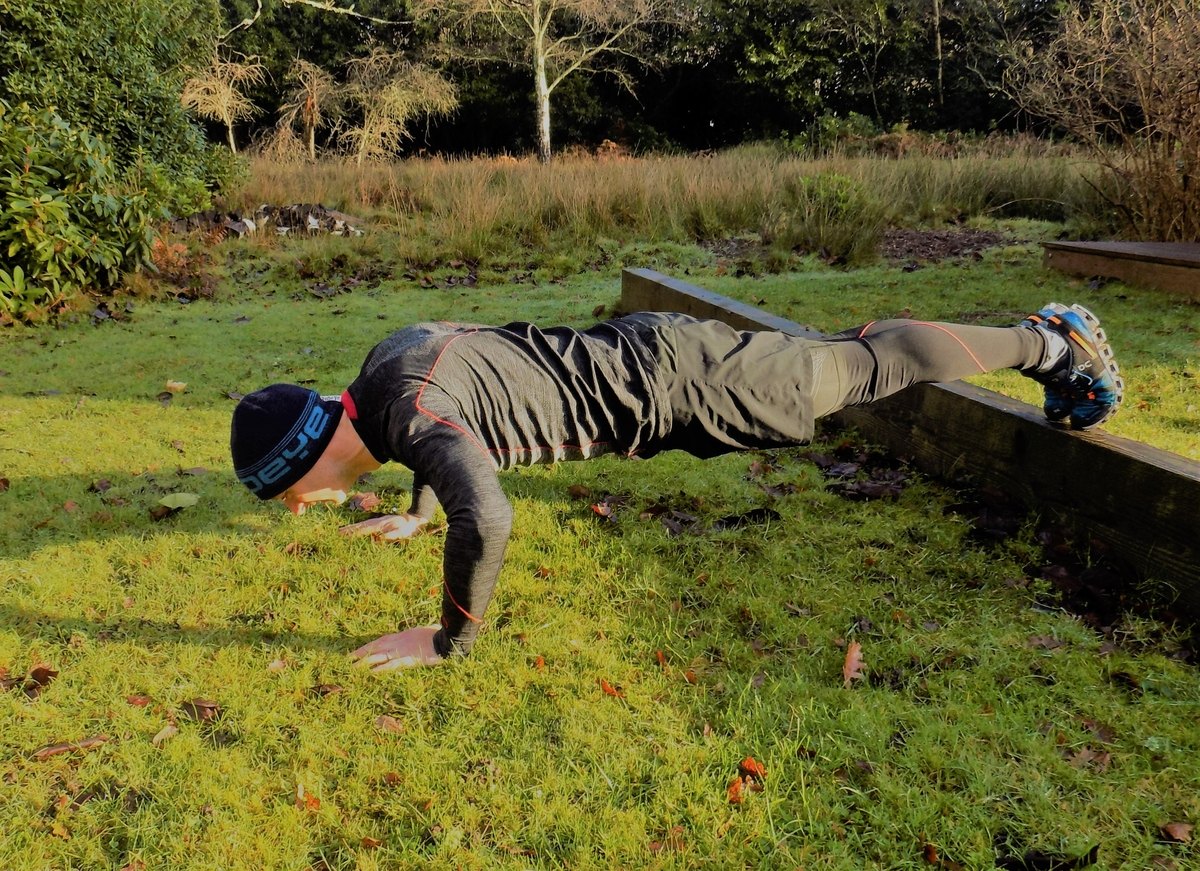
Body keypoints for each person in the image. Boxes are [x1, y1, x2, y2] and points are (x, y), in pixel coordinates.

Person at [229, 303, 1123, 671]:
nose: (298, 508)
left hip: (683, 385)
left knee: (861, 370)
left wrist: (448, 640)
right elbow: (447, 402)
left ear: (303, 460)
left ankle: (1052, 343)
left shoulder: (410, 416)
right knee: (847, 360)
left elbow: (488, 514)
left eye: (286, 494)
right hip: (651, 355)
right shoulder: (386, 372)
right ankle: (1002, 342)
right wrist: (420, 513)